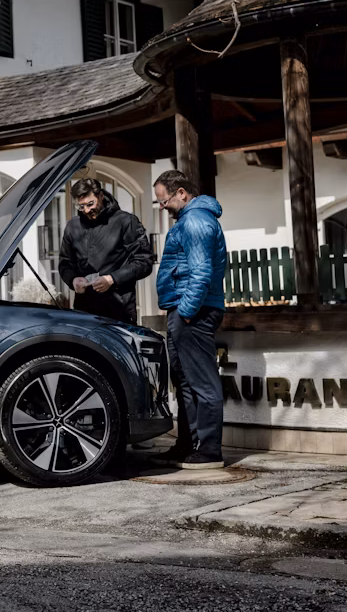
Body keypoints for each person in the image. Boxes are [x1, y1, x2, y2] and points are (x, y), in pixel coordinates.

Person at [151, 170, 228, 471]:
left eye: (164, 200)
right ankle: (188, 445)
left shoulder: (195, 221)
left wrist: (184, 311)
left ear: (181, 193)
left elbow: (201, 273)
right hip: (185, 310)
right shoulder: (190, 219)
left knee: (202, 382)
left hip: (193, 312)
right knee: (184, 380)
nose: (163, 207)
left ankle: (209, 451)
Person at [58, 178, 154, 326]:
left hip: (119, 309)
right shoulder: (72, 226)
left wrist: (112, 279)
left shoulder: (126, 221)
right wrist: (72, 280)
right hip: (84, 310)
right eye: (81, 206)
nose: (87, 210)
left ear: (101, 196)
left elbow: (144, 262)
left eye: (90, 204)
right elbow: (65, 262)